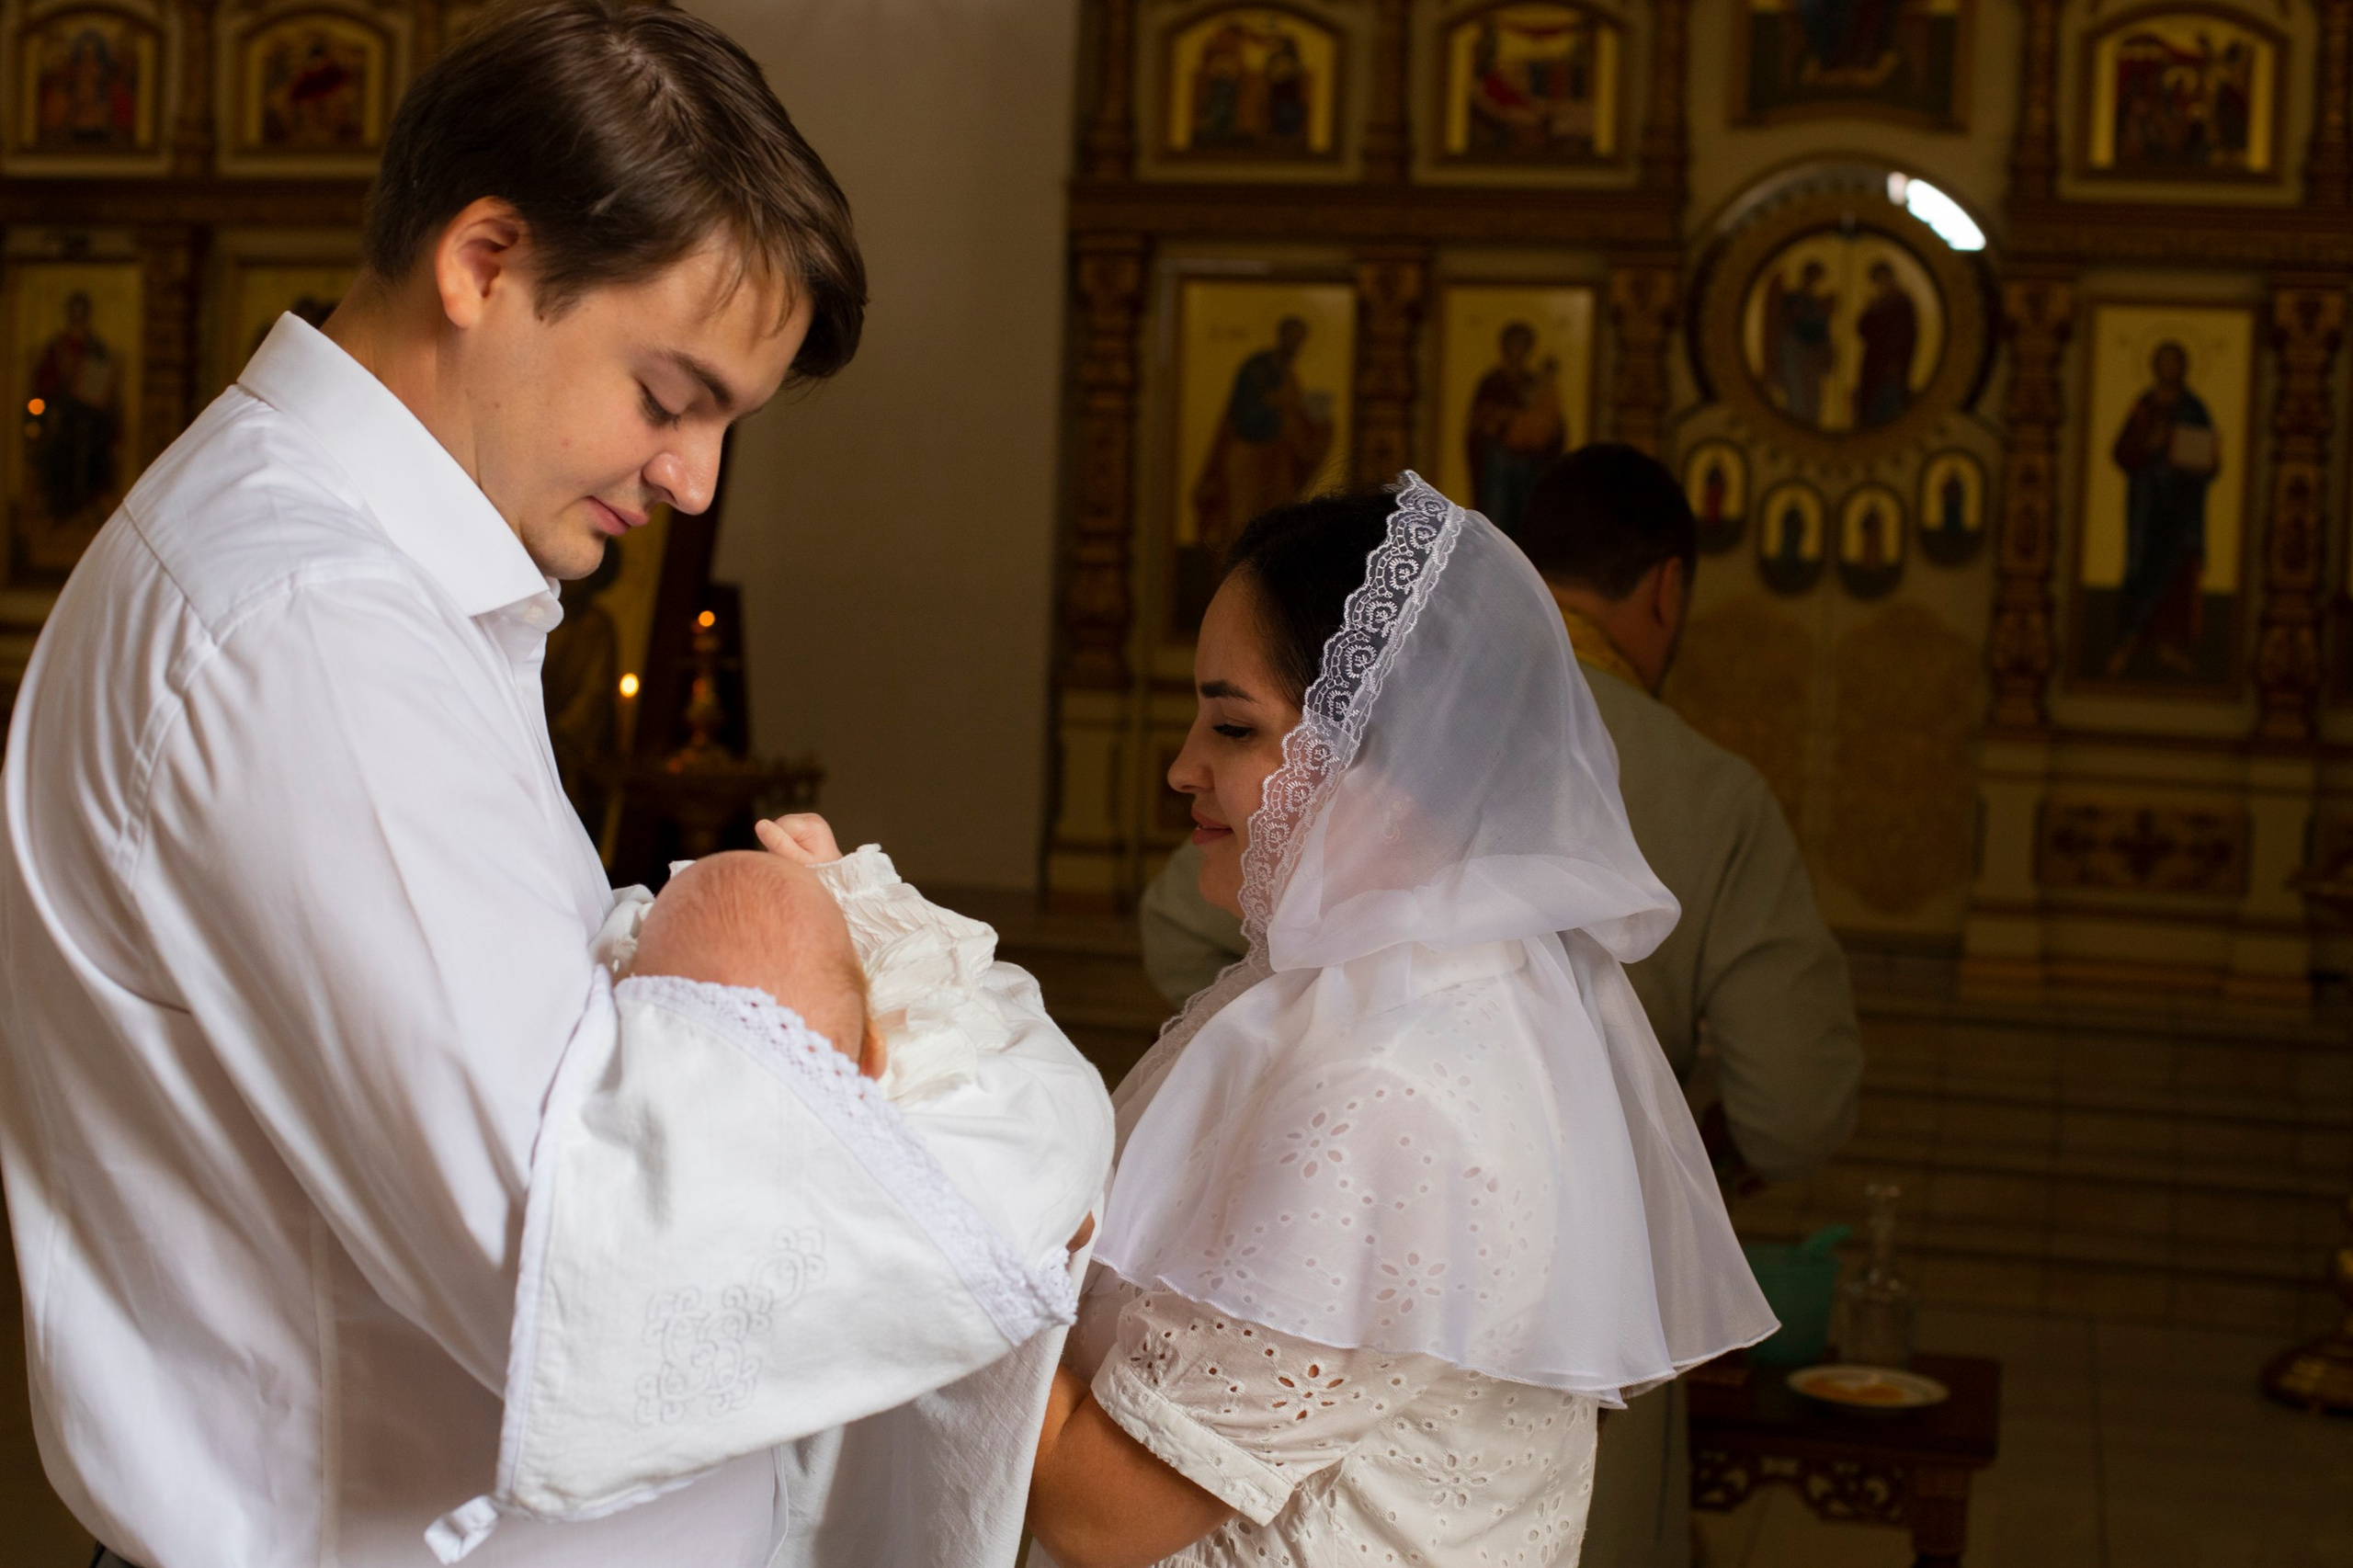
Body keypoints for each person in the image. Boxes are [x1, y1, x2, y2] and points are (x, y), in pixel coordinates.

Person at [0, 6, 1109, 1567]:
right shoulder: (310, 626)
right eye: (671, 397)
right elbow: (584, 1279)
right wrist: (966, 1106)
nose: (695, 479)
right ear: (487, 262)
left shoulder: (375, 589)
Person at [1139, 446, 1863, 1568]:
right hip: (1567, 1311)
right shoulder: (1695, 789)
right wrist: (1640, 1165)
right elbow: (1795, 1103)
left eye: (1231, 728)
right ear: (1666, 585)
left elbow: (1107, 1507)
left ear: (1376, 755)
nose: (1182, 769)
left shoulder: (1380, 1083)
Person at [2103, 339, 2217, 678]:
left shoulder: (2194, 409)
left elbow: (2207, 461)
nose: (2169, 368)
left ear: (2184, 367)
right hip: (2146, 501)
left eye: (2175, 362)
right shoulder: (2144, 407)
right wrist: (2146, 445)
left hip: (2181, 503)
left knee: (2178, 569)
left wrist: (2199, 457)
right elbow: (2121, 452)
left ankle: (2170, 645)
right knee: (2141, 564)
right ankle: (2131, 638)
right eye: (2163, 361)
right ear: (2155, 366)